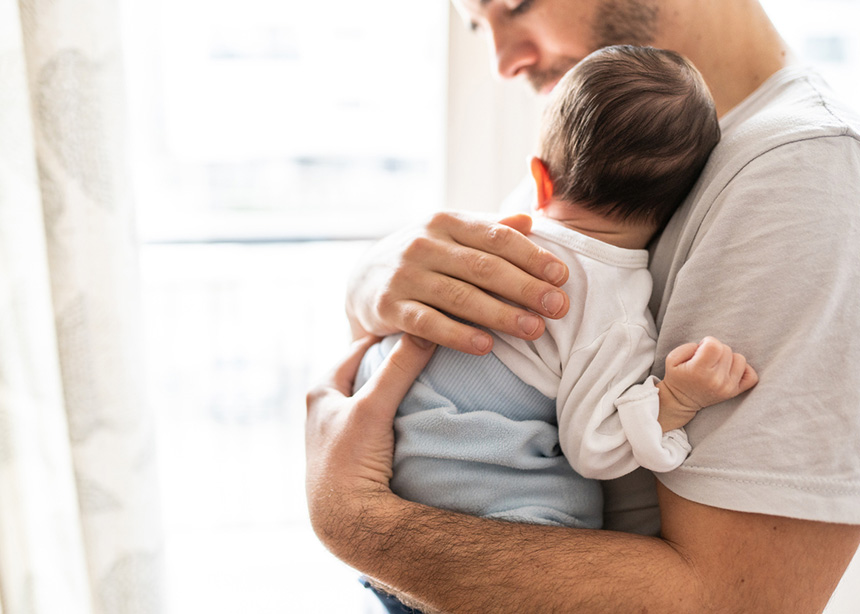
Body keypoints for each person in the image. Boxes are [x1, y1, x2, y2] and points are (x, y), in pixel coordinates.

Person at [306, 1, 860, 612]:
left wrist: (352, 520)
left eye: (516, 4)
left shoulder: (802, 176)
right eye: (475, 24)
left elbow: (733, 602)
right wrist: (370, 282)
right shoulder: (615, 139)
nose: (501, 61)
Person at [354, 45, 756, 541]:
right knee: (571, 514)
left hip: (385, 458)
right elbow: (597, 448)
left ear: (540, 179)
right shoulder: (615, 314)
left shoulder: (488, 238)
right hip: (479, 502)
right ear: (677, 207)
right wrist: (675, 400)